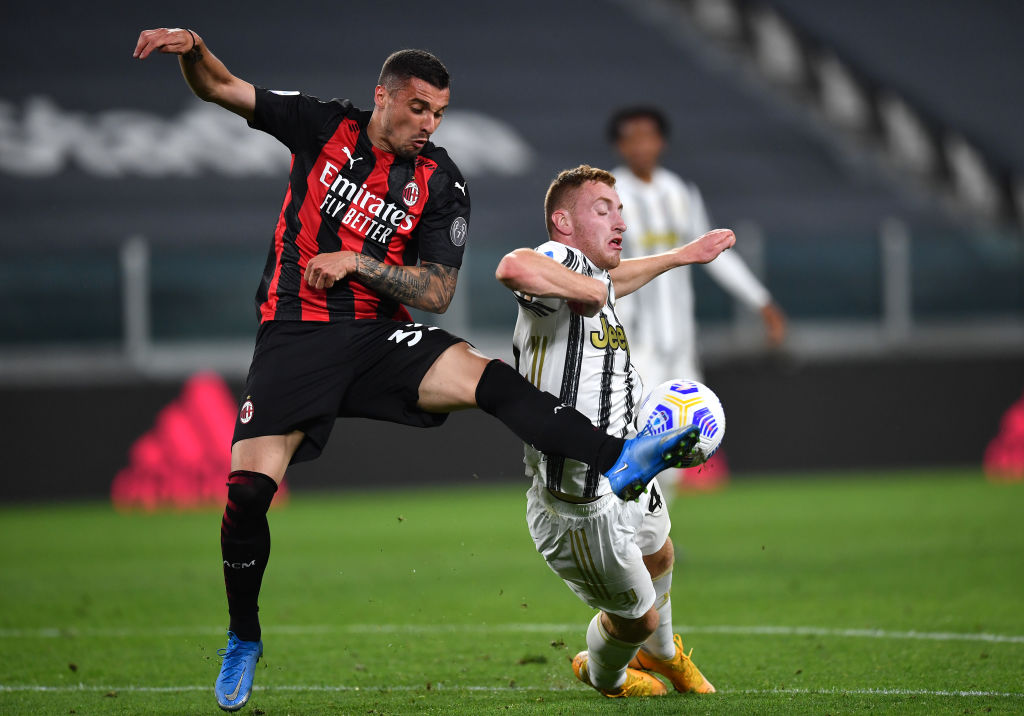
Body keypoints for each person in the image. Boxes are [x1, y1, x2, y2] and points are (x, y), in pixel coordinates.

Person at [132, 29, 697, 712]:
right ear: (384, 97)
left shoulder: (441, 179)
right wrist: (192, 47)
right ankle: (244, 637)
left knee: (488, 378)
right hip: (293, 337)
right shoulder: (323, 126)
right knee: (247, 494)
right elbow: (222, 87)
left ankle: (619, 458)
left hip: (379, 337)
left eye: (440, 113)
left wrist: (358, 263)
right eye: (419, 109)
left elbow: (436, 293)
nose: (429, 125)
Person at [495, 165, 734, 698]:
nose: (619, 219)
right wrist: (591, 288)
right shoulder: (558, 261)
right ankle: (608, 677)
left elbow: (609, 284)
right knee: (635, 619)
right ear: (563, 221)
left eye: (620, 209)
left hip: (623, 466)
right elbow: (513, 267)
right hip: (578, 501)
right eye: (603, 208)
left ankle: (666, 657)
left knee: (661, 553)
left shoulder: (592, 281)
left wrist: (678, 256)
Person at [609, 106, 787, 489]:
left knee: (679, 444)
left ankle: (653, 542)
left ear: (661, 141)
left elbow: (713, 253)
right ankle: (629, 539)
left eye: (648, 135)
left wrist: (761, 301)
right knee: (635, 439)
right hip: (633, 341)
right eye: (631, 137)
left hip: (680, 342)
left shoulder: (678, 191)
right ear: (619, 145)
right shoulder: (609, 194)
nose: (640, 145)